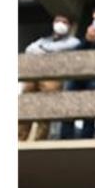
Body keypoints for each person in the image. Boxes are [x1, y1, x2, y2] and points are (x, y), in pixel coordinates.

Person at [20, 14, 80, 142]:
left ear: (69, 26)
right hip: (35, 74)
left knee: (46, 108)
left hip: (53, 76)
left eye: (64, 22)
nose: (60, 24)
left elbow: (62, 47)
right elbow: (29, 49)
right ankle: (20, 138)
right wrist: (45, 50)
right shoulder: (44, 40)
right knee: (26, 105)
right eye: (57, 21)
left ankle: (39, 140)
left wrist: (42, 51)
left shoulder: (73, 41)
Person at [60, 7, 95, 140]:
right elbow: (76, 55)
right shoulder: (85, 39)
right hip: (82, 78)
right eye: (94, 19)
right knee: (71, 88)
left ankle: (86, 136)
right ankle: (65, 137)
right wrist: (87, 41)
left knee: (93, 88)